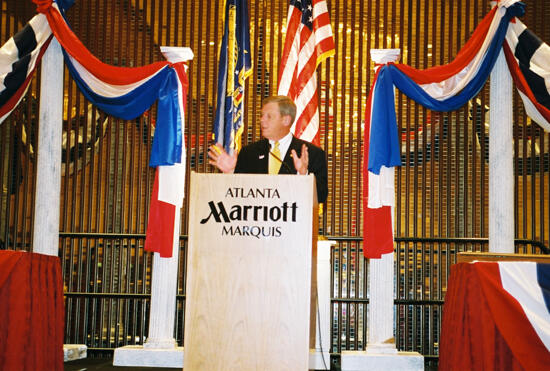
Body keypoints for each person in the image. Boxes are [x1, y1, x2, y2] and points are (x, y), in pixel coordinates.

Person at [208, 95, 328, 203]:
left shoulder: (312, 153)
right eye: (262, 115)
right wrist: (232, 172)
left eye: (269, 116)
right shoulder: (249, 153)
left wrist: (304, 175)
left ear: (286, 120)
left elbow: (321, 196)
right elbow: (237, 196)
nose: (262, 120)